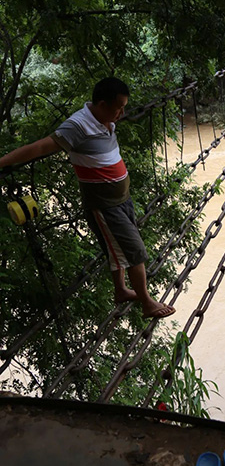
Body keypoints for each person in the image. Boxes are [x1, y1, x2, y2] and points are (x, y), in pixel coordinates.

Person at [0, 77, 176, 320]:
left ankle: (121, 290)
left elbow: (111, 126)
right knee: (135, 251)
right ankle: (146, 302)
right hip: (104, 205)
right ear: (102, 104)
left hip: (122, 199)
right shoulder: (78, 126)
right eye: (118, 107)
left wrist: (115, 116)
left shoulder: (105, 119)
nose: (121, 113)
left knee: (117, 248)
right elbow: (40, 147)